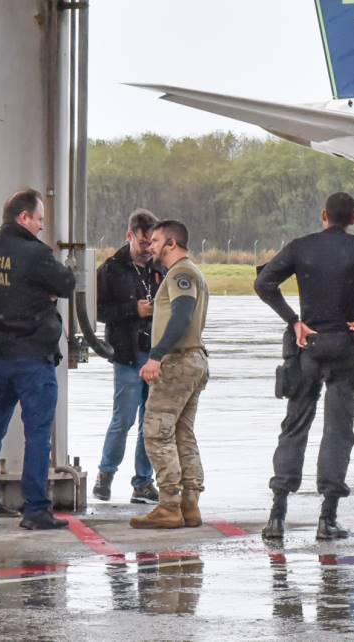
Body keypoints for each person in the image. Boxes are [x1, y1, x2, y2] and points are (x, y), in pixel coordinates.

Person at [254, 192, 354, 540]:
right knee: (338, 431)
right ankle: (327, 516)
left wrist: (294, 321)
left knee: (294, 426)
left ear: (323, 215)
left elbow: (264, 283)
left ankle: (277, 514)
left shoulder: (301, 246)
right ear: (353, 219)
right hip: (344, 348)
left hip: (308, 346)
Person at [0, 189, 77, 530]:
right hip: (31, 355)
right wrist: (49, 288)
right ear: (23, 218)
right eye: (40, 219)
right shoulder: (35, 254)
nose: (42, 227)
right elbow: (67, 284)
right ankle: (35, 509)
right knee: (38, 433)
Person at [129, 220, 211, 530]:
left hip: (178, 361)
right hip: (194, 360)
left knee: (156, 431)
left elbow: (182, 314)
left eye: (156, 240)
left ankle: (169, 505)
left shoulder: (182, 273)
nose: (150, 245)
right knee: (182, 434)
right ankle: (190, 505)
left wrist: (156, 356)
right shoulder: (188, 272)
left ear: (172, 243)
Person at [94, 209, 164, 505]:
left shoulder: (161, 267)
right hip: (127, 353)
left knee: (150, 419)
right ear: (130, 236)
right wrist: (133, 310)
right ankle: (105, 474)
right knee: (123, 419)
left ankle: (143, 482)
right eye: (143, 243)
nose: (148, 249)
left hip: (156, 353)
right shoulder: (110, 269)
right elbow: (97, 312)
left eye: (152, 243)